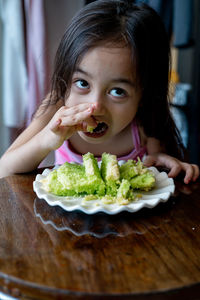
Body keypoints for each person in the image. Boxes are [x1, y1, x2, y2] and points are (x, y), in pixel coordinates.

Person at [0, 0, 199, 184]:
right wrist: (47, 140)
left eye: (117, 91)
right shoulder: (55, 108)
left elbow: (156, 160)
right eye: (82, 83)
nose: (95, 106)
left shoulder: (143, 124)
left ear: (143, 96)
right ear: (65, 78)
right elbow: (4, 169)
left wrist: (163, 162)